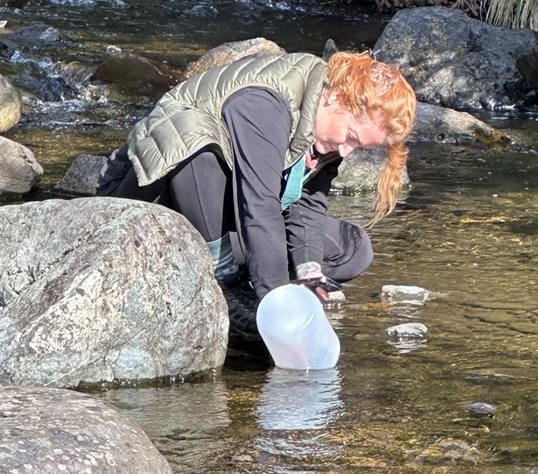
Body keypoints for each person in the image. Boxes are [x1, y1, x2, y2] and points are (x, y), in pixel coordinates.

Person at [98, 50, 416, 347]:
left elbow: (305, 208)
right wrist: (275, 300)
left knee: (353, 248)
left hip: (224, 216)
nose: (347, 151)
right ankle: (224, 282)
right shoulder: (266, 102)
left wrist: (309, 275)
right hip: (150, 202)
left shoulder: (324, 131)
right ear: (336, 97)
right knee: (195, 144)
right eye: (350, 137)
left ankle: (240, 272)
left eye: (359, 147)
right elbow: (259, 207)